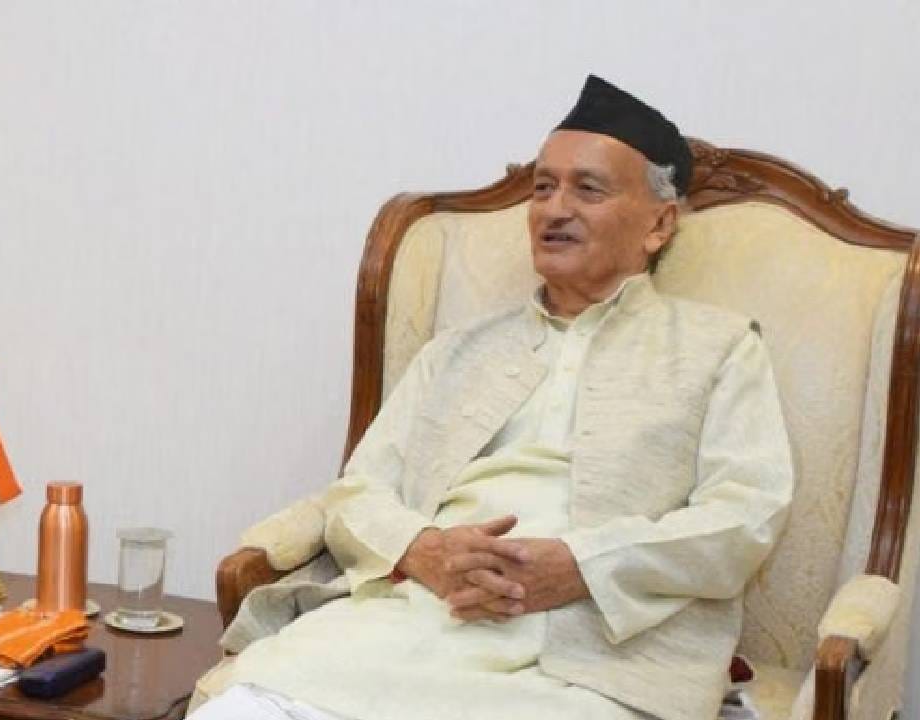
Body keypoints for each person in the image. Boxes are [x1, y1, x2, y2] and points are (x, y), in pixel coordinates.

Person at [191, 75, 794, 720]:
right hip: (414, 620)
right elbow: (357, 492)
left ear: (659, 225)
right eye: (543, 187)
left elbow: (745, 513)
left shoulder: (720, 348)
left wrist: (580, 565)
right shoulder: (457, 349)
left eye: (588, 189)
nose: (554, 209)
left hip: (602, 650)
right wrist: (426, 550)